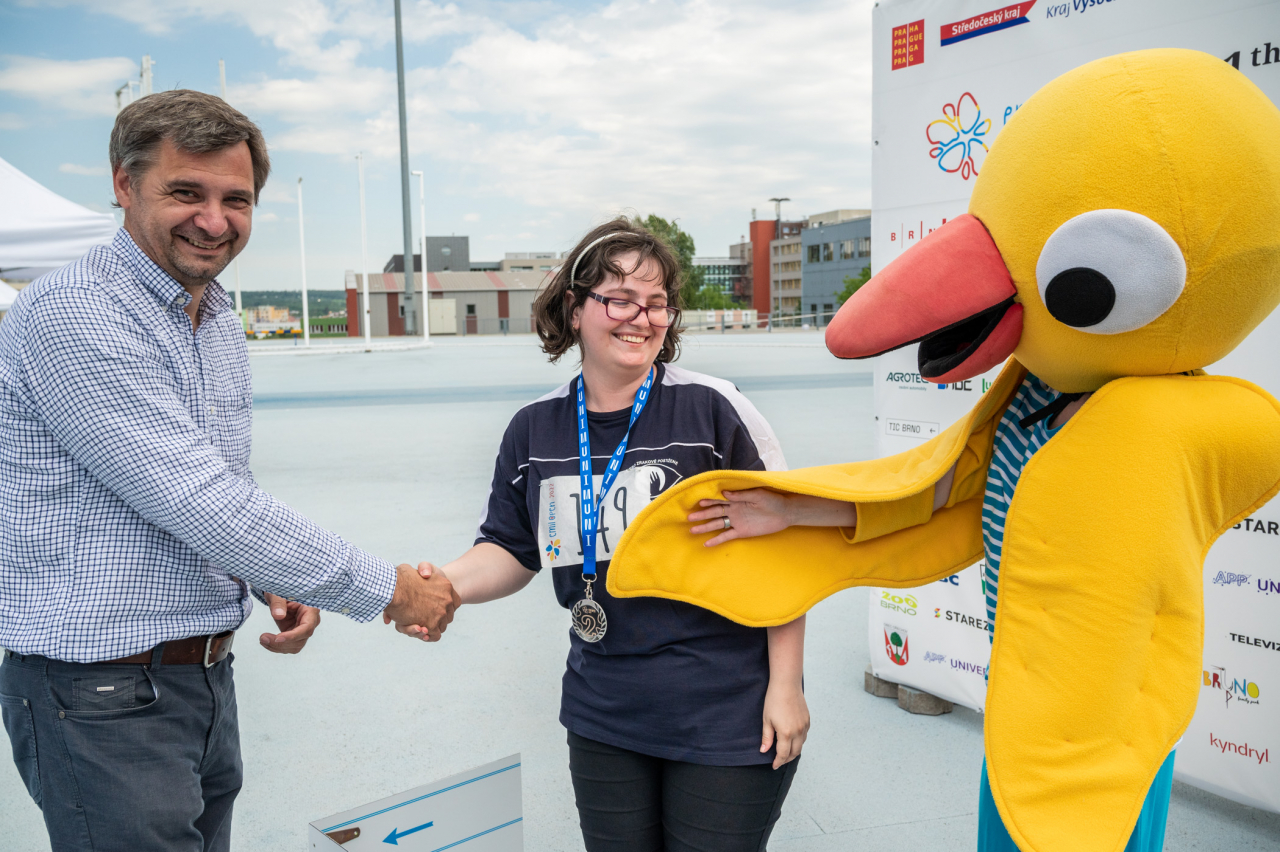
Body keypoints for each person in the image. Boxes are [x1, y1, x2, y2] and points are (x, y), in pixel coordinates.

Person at [0, 90, 458, 852]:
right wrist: (392, 590)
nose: (214, 221)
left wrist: (268, 573)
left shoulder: (212, 315)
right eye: (186, 192)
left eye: (236, 200)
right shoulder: (77, 313)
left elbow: (216, 485)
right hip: (100, 695)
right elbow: (199, 499)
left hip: (199, 679)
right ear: (124, 184)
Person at [415, 218, 808, 851]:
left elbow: (784, 552)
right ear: (575, 309)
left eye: (657, 302)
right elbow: (511, 549)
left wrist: (785, 686)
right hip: (604, 710)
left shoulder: (714, 408)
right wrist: (443, 585)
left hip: (726, 707)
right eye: (620, 299)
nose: (642, 318)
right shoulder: (534, 428)